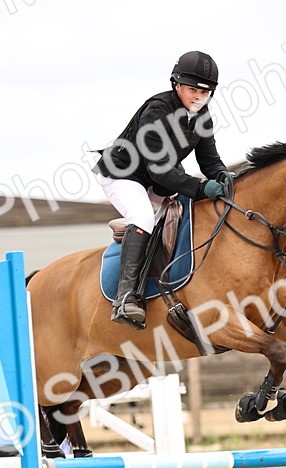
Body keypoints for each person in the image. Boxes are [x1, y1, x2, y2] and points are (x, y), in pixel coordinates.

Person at [94, 51, 234, 329]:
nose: (198, 97)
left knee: (191, 208)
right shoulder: (157, 111)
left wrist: (224, 177)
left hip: (158, 179)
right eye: (193, 90)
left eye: (205, 93)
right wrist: (201, 186)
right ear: (177, 85)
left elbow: (209, 161)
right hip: (123, 174)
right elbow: (158, 168)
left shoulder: (202, 116)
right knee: (143, 217)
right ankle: (126, 297)